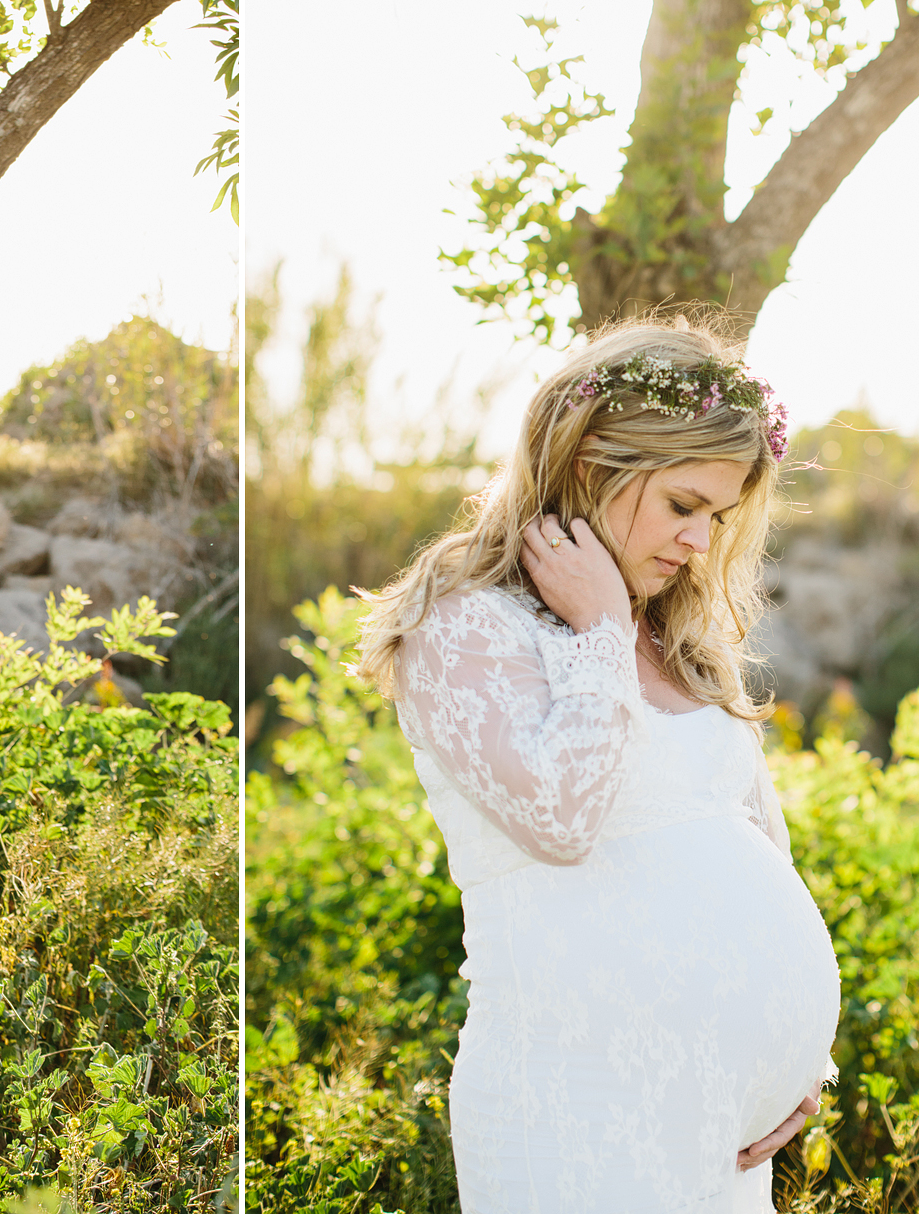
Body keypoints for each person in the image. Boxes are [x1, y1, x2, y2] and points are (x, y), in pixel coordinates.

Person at [354, 317, 838, 1211]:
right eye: (682, 505)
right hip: (581, 1109)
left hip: (732, 1141)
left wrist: (801, 1060)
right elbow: (561, 819)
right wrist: (601, 630)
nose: (699, 542)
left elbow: (763, 848)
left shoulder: (681, 638)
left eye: (718, 517)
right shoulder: (464, 623)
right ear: (590, 466)